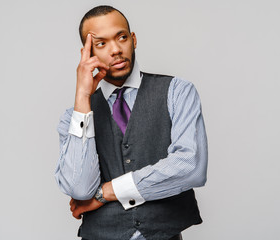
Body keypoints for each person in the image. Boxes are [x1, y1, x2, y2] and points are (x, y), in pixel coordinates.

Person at [55, 5, 208, 240]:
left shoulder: (177, 91)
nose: (116, 50)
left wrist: (106, 192)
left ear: (133, 39)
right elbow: (80, 188)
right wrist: (82, 97)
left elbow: (190, 166)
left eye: (122, 37)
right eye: (101, 43)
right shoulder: (74, 117)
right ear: (87, 53)